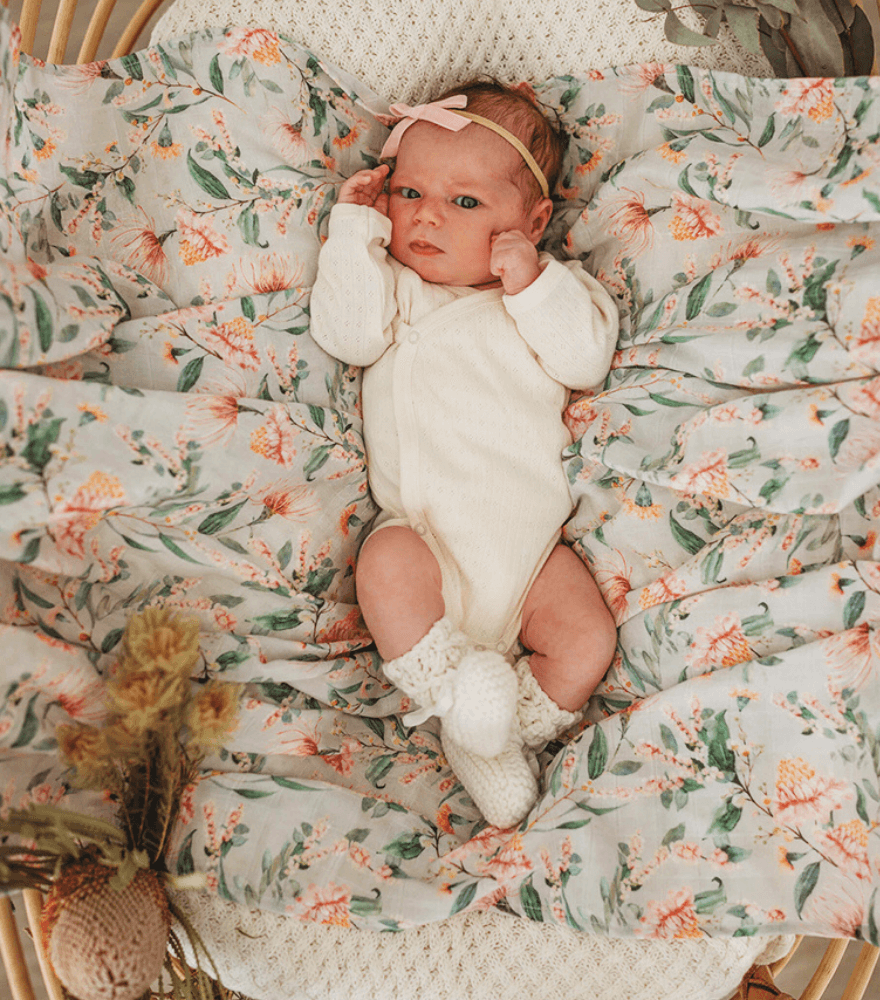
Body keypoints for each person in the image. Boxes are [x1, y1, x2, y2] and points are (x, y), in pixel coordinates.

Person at [311, 81, 619, 827]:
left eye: (466, 202)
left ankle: (494, 732)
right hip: (427, 543)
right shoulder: (400, 291)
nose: (427, 215)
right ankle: (459, 700)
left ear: (533, 222)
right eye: (409, 192)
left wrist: (533, 282)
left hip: (531, 557)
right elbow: (346, 335)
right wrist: (353, 230)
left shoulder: (548, 294)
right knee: (383, 564)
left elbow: (585, 359)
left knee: (587, 639)